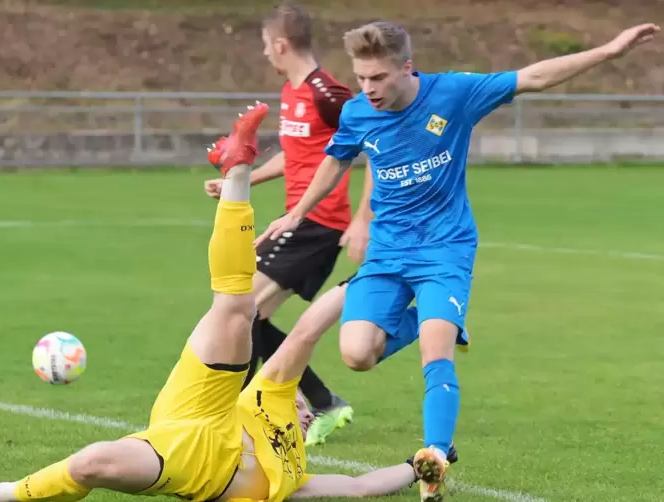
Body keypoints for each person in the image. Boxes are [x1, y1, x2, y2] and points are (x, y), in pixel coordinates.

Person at [0, 103, 436, 502]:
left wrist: (424, 465)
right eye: (306, 408)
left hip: (191, 462)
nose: (305, 415)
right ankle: (237, 168)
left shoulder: (295, 476)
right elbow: (306, 331)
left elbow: (361, 485)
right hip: (205, 404)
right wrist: (368, 281)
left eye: (306, 414)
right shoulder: (274, 395)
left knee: (91, 464)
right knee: (236, 307)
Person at [256, 21, 660, 501]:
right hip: (388, 252)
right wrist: (298, 213)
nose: (369, 89)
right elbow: (336, 161)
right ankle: (442, 320)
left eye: (379, 78)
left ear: (407, 68)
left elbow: (532, 77)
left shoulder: (454, 94)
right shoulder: (357, 113)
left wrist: (610, 50)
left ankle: (435, 461)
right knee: (357, 354)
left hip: (444, 249)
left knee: (436, 352)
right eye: (362, 78)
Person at [203, 1, 370, 447]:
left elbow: (375, 146)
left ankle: (231, 418)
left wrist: (361, 219)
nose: (264, 54)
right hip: (295, 218)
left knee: (239, 310)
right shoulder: (291, 93)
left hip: (320, 223)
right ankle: (323, 402)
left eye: (265, 46)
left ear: (280, 44)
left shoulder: (328, 94)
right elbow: (294, 154)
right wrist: (243, 180)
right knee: (246, 314)